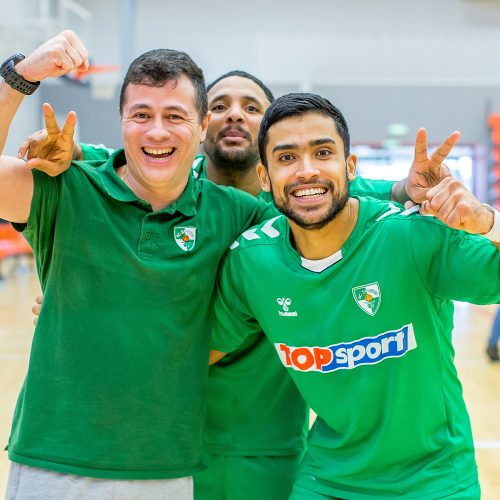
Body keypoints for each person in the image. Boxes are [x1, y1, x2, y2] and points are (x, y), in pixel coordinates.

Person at [24, 68, 465, 499]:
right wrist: (87, 306)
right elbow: (112, 162)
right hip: (165, 442)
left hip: (266, 443)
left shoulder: (302, 199)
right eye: (219, 105)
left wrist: (413, 190)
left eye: (252, 107)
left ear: (270, 133)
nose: (234, 115)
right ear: (199, 124)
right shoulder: (160, 188)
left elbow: (374, 192)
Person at [0, 31, 285, 499]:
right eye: (141, 115)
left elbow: (322, 212)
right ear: (121, 123)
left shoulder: (236, 214)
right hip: (52, 463)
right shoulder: (66, 188)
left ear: (200, 127)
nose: (156, 131)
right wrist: (20, 76)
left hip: (165, 472)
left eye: (174, 116)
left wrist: (406, 196)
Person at [209, 93, 500, 499]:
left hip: (435, 480)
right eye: (287, 157)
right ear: (264, 176)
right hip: (327, 481)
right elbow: (202, 353)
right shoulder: (251, 262)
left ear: (349, 167)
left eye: (322, 152)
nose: (306, 171)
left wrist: (487, 221)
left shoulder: (412, 236)